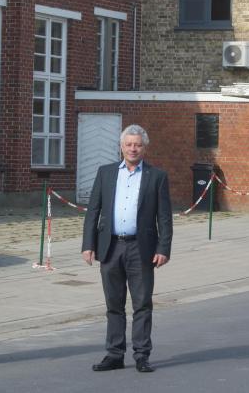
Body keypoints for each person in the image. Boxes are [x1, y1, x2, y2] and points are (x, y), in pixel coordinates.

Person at [82, 124, 173, 373]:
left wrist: (163, 247)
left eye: (137, 145)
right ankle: (114, 354)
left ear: (145, 148)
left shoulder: (157, 177)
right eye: (128, 144)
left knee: (142, 303)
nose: (133, 149)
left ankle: (142, 355)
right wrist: (88, 244)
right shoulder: (106, 173)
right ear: (121, 147)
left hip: (140, 248)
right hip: (111, 247)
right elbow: (94, 211)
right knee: (114, 304)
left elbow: (164, 217)